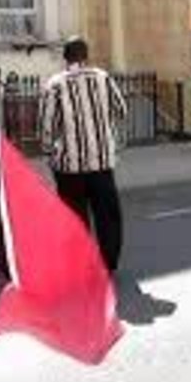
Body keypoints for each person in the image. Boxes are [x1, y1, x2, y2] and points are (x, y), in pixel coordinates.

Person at [42, 38, 127, 273]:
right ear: (86, 55)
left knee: (75, 218)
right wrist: (103, 128)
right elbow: (122, 110)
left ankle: (81, 263)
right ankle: (109, 262)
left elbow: (47, 128)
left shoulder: (55, 85)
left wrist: (50, 152)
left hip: (70, 168)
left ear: (65, 58)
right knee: (108, 217)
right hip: (101, 163)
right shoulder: (103, 77)